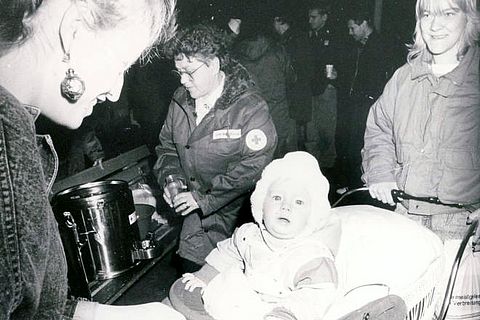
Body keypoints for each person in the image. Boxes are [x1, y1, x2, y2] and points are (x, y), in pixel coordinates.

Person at [0, 0, 184, 319]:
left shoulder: (16, 134)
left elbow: (28, 304)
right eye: (120, 64)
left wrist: (109, 316)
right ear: (73, 32)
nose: (115, 92)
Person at [362, 0, 479, 265]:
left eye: (448, 14)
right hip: (404, 217)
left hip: (463, 228)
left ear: (469, 17)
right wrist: (380, 172)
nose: (435, 25)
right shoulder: (404, 78)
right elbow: (380, 129)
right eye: (427, 15)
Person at [154, 23, 277, 274]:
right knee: (193, 285)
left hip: (238, 221)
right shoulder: (180, 101)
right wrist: (171, 180)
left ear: (215, 64)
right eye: (178, 72)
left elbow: (254, 164)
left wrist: (204, 198)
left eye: (189, 72)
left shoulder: (249, 108)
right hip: (195, 221)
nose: (182, 81)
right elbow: (167, 148)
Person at [167, 151, 341, 320]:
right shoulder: (250, 235)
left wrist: (285, 315)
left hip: (282, 309)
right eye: (277, 198)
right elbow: (227, 253)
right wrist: (205, 276)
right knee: (183, 299)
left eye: (299, 202)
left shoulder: (312, 256)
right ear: (261, 205)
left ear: (312, 214)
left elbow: (313, 298)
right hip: (249, 300)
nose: (286, 206)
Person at [334, 8, 389, 194]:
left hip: (369, 103)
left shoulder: (380, 45)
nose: (350, 33)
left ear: (364, 24)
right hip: (356, 102)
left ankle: (358, 186)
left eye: (352, 28)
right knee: (352, 143)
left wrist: (372, 97)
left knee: (361, 144)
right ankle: (352, 183)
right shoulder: (359, 45)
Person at [234, 20, 294, 158]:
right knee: (277, 159)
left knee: (251, 157)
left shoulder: (236, 53)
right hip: (276, 114)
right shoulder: (278, 50)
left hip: (249, 114)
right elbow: (291, 79)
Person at [300, 0, 341, 170]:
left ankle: (327, 168)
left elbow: (342, 64)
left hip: (326, 91)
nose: (310, 20)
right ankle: (313, 166)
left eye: (314, 17)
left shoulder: (335, 38)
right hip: (310, 90)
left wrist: (335, 79)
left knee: (326, 132)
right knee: (311, 132)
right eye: (309, 17)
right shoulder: (308, 37)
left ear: (324, 17)